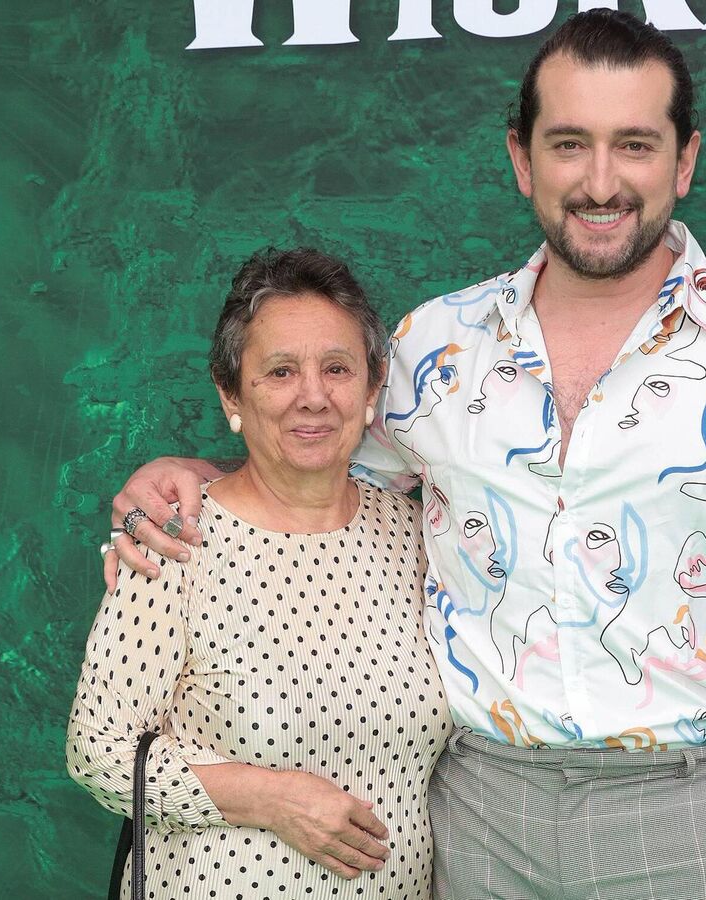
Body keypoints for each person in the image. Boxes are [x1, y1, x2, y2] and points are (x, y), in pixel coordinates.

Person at [106, 11, 706, 899]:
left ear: (683, 162)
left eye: (635, 146)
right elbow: (315, 479)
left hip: (695, 810)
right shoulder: (433, 347)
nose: (600, 181)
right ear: (522, 159)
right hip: (478, 814)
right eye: (569, 144)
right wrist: (192, 474)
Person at [68, 247, 451, 899]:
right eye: (279, 371)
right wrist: (271, 800)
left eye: (337, 368)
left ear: (372, 389)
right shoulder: (173, 539)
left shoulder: (421, 538)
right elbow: (97, 752)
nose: (313, 397)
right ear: (231, 395)